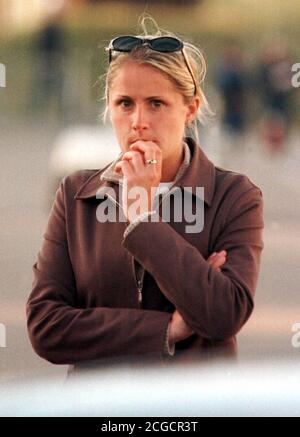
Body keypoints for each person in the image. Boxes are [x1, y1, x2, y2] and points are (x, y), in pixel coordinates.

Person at [26, 19, 264, 372]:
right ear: (109, 107)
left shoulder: (234, 195)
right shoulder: (76, 193)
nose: (138, 120)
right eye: (125, 103)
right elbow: (46, 327)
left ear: (191, 107)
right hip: (99, 408)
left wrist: (142, 219)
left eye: (156, 103)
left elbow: (224, 315)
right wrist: (166, 330)